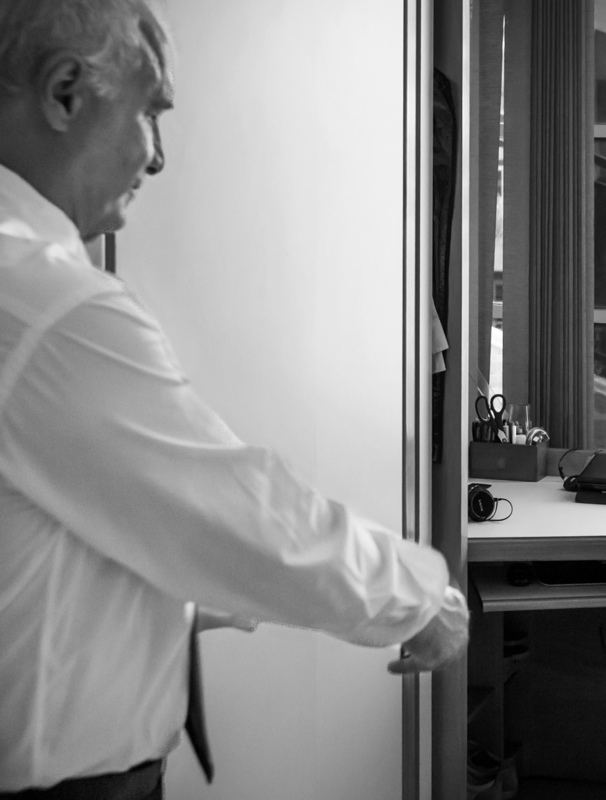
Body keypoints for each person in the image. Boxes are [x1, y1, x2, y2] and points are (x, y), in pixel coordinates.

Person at [0, 1, 467, 796]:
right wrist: (418, 593)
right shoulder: (50, 308)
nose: (158, 159)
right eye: (151, 111)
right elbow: (241, 515)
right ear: (66, 93)